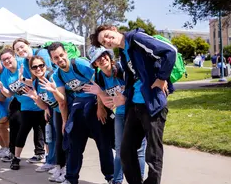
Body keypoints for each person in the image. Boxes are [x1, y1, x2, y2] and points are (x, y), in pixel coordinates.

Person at [90, 24, 176, 184]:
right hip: (134, 105)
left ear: (114, 29)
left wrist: (162, 78)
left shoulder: (136, 39)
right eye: (104, 41)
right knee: (126, 152)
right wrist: (124, 97)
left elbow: (170, 51)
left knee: (153, 152)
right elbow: (132, 79)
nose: (108, 40)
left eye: (108, 35)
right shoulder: (124, 52)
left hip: (152, 104)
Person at [47, 42, 115, 184]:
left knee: (103, 143)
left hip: (95, 103)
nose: (60, 59)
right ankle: (71, 178)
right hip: (79, 106)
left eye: (61, 55)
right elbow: (62, 101)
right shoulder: (57, 75)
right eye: (55, 58)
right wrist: (65, 121)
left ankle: (111, 177)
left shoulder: (80, 64)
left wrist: (101, 108)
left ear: (66, 53)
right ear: (52, 60)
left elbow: (100, 82)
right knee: (74, 144)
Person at [83, 46, 146, 184]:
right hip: (120, 114)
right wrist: (100, 100)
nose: (102, 59)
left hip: (136, 112)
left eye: (103, 55)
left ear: (109, 56)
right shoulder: (99, 76)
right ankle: (116, 181)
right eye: (97, 59)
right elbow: (105, 99)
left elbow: (137, 88)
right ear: (95, 64)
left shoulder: (122, 69)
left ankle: (139, 181)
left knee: (138, 150)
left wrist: (123, 97)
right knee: (119, 150)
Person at [0, 48, 46, 170]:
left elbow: (37, 77)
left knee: (45, 133)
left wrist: (22, 78)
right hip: (26, 107)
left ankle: (47, 158)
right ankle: (16, 158)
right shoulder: (5, 74)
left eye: (8, 58)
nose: (6, 61)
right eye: (4, 60)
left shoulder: (24, 63)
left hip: (41, 104)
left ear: (14, 56)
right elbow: (10, 94)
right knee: (22, 132)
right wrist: (1, 88)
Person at [23, 55, 67, 181]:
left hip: (64, 110)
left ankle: (66, 169)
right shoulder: (36, 82)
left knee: (65, 140)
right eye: (34, 67)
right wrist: (36, 99)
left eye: (41, 65)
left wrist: (64, 119)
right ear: (31, 70)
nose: (38, 69)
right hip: (56, 111)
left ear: (45, 65)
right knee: (56, 139)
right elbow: (44, 104)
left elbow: (62, 100)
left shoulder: (51, 77)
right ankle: (59, 166)